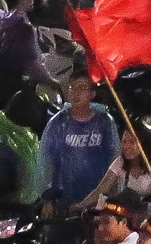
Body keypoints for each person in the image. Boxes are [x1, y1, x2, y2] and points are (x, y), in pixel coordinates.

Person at [40, 71, 123, 210]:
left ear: (92, 93)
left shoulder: (105, 122)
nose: (76, 93)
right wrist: (48, 199)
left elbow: (115, 160)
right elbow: (46, 162)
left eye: (82, 88)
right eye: (72, 87)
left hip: (97, 198)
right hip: (64, 199)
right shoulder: (58, 123)